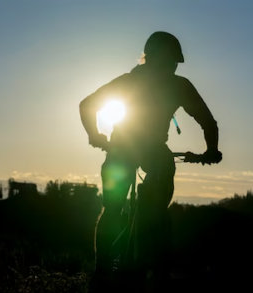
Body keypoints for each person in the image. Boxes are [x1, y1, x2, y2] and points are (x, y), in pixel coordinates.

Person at [80, 31, 223, 292]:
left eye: (174, 63)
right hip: (149, 150)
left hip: (122, 147)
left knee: (112, 208)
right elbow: (207, 121)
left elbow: (87, 105)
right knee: (154, 202)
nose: (172, 67)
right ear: (155, 58)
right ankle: (156, 270)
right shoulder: (179, 86)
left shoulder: (131, 81)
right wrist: (211, 151)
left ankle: (104, 272)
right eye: (171, 61)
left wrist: (96, 136)